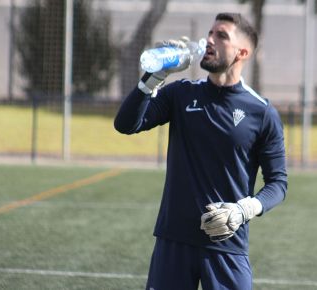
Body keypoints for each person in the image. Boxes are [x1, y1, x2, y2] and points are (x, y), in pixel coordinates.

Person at [114, 12, 287, 290]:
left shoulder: (262, 112)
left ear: (242, 52)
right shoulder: (181, 93)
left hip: (227, 246)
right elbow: (125, 124)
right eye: (210, 33)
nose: (209, 40)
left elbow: (278, 183)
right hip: (173, 242)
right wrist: (153, 77)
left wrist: (242, 210)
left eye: (221, 36)